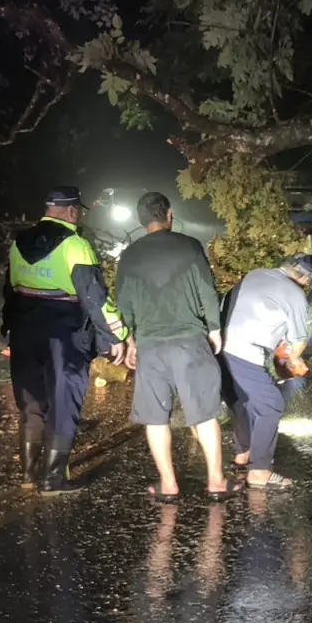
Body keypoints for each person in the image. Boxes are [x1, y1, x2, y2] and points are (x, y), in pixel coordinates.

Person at [2, 185, 128, 492]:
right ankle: (53, 478)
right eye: (80, 211)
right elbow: (95, 298)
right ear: (72, 211)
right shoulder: (75, 245)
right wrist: (117, 335)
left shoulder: (19, 242)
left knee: (31, 401)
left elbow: (9, 288)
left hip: (24, 329)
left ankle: (29, 476)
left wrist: (7, 329)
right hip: (64, 333)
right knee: (63, 401)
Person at [114, 192, 237, 503]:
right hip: (189, 341)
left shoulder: (129, 256)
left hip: (151, 346)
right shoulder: (189, 246)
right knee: (204, 415)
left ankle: (168, 485)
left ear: (142, 221)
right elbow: (207, 291)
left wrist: (129, 341)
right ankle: (216, 481)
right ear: (168, 215)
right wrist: (214, 328)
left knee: (156, 418)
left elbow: (124, 304)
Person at [221, 255, 312, 491]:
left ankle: (243, 453)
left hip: (219, 345)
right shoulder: (296, 296)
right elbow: (296, 345)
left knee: (241, 400)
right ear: (306, 278)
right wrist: (295, 364)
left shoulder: (257, 273)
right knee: (271, 404)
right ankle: (259, 471)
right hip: (245, 351)